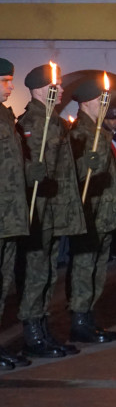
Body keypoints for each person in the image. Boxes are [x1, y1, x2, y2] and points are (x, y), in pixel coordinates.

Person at [17, 63, 84, 358]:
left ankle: (43, 328)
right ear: (41, 89)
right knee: (35, 271)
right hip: (38, 208)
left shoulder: (54, 121)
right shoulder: (33, 121)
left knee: (47, 272)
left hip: (56, 207)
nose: (59, 91)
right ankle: (32, 333)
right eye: (53, 87)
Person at [66, 76, 116, 343]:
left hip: (106, 212)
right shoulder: (78, 133)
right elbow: (70, 174)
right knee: (84, 268)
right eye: (100, 100)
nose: (104, 104)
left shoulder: (102, 133)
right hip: (88, 211)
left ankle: (89, 318)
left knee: (97, 269)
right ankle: (79, 320)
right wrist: (86, 162)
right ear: (86, 103)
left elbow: (112, 170)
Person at [0, 58, 31, 369]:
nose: (11, 87)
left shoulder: (6, 118)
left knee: (3, 282)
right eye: (5, 80)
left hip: (9, 215)